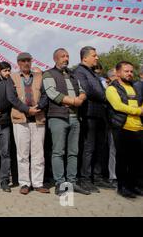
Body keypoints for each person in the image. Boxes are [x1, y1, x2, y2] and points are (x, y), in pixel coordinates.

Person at [0, 59, 37, 193]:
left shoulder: (6, 83)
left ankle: (4, 180)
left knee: (5, 154)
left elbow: (9, 100)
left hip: (3, 123)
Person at [42, 48, 90, 196]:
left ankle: (72, 182)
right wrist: (72, 101)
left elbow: (82, 90)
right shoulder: (49, 74)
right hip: (58, 118)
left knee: (73, 152)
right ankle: (60, 183)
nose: (66, 58)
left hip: (75, 118)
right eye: (63, 56)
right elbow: (52, 92)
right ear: (55, 58)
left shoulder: (73, 74)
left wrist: (79, 99)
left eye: (67, 56)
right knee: (58, 152)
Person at [74, 46, 114, 192]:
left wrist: (104, 95)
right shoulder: (79, 71)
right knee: (88, 147)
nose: (97, 58)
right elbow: (88, 90)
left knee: (100, 147)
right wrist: (106, 97)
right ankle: (85, 178)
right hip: (89, 114)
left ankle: (96, 177)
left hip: (100, 114)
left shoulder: (93, 73)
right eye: (94, 55)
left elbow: (100, 89)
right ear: (85, 57)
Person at [10, 53, 50, 194]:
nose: (26, 63)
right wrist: (27, 109)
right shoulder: (12, 77)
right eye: (23, 61)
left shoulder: (40, 77)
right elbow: (12, 98)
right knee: (22, 154)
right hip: (20, 119)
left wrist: (37, 109)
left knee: (38, 153)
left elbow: (45, 95)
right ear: (18, 63)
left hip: (38, 118)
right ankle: (25, 183)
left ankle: (38, 183)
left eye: (28, 60)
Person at [106, 61, 143, 198]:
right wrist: (139, 111)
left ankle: (135, 186)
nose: (129, 74)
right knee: (123, 160)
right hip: (122, 128)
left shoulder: (135, 87)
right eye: (126, 71)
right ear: (118, 72)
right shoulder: (111, 88)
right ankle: (123, 187)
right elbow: (118, 106)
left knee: (137, 160)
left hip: (138, 128)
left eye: (131, 71)